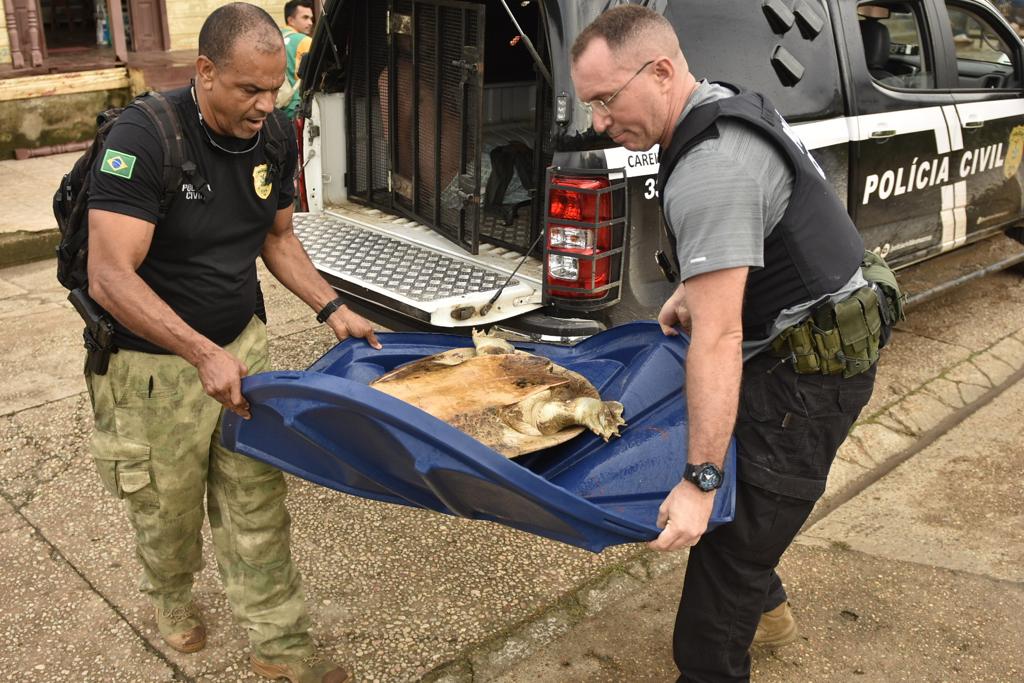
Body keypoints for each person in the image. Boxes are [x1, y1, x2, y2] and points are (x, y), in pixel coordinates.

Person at [571, 6, 894, 682]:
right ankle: (772, 613)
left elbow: (717, 341)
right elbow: (770, 213)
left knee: (722, 573)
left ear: (660, 71)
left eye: (605, 100)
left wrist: (699, 479)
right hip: (808, 334)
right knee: (748, 517)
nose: (598, 121)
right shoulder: (715, 101)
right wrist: (696, 286)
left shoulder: (710, 167)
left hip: (811, 375)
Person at [85, 3, 378, 682]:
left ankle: (282, 652)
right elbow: (108, 274)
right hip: (150, 372)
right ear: (206, 71)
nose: (265, 105)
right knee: (167, 512)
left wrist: (332, 307)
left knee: (257, 506)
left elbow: (278, 237)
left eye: (274, 88)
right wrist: (198, 351)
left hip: (241, 351)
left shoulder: (273, 135)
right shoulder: (145, 137)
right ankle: (170, 593)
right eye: (249, 89)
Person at [279, 0, 314, 119]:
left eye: (311, 18)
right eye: (305, 18)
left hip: (277, 106)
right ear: (291, 20)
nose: (310, 23)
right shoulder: (304, 41)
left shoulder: (274, 38)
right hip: (295, 107)